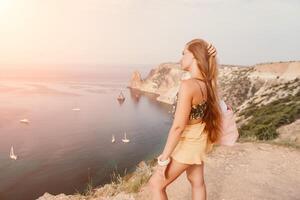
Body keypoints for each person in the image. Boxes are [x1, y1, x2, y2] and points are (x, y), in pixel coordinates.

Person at [148, 38, 222, 200]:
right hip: (199, 139)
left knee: (155, 184)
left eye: (183, 54)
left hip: (189, 142)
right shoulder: (208, 84)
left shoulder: (188, 85)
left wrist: (163, 159)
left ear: (195, 56)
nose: (180, 58)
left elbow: (178, 127)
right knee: (196, 181)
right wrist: (211, 55)